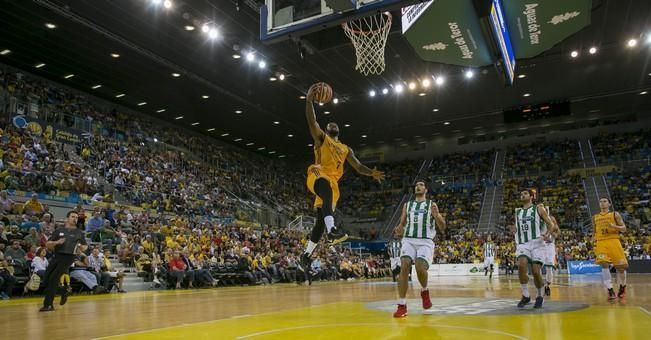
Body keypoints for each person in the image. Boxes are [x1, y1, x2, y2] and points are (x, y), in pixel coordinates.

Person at [300, 83, 385, 282]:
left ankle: (306, 255)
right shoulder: (322, 138)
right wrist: (309, 101)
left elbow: (357, 166)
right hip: (319, 174)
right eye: (329, 124)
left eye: (335, 125)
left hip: (333, 184)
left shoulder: (346, 148)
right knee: (327, 191)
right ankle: (332, 231)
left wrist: (370, 173)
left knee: (320, 220)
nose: (332, 124)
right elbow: (311, 121)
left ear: (339, 131)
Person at [393, 180, 446, 318]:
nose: (418, 186)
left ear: (426, 190)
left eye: (421, 185)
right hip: (408, 239)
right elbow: (402, 223)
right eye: (416, 185)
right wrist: (399, 229)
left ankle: (424, 290)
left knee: (419, 267)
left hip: (425, 241)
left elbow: (443, 227)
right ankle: (402, 305)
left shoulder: (431, 205)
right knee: (404, 265)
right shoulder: (407, 205)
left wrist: (437, 216)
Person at [509, 189, 557, 309]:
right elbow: (517, 227)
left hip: (538, 242)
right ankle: (525, 295)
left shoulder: (539, 208)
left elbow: (551, 224)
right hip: (523, 243)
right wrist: (514, 229)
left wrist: (547, 234)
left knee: (536, 272)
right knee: (521, 265)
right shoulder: (518, 212)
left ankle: (540, 296)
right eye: (521, 193)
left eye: (525, 193)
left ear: (531, 196)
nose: (522, 195)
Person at [40, 211, 88, 312]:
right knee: (46, 280)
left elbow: (85, 246)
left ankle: (48, 305)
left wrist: (81, 247)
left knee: (53, 279)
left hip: (69, 257)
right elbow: (48, 244)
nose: (75, 219)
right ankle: (64, 290)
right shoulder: (59, 230)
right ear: (66, 219)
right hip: (56, 255)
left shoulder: (79, 232)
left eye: (76, 217)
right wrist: (57, 242)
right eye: (72, 217)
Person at [593, 197, 628, 300]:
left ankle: (622, 286)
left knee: (621, 267)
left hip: (613, 240)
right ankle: (610, 290)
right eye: (600, 201)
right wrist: (593, 238)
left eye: (604, 201)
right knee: (604, 264)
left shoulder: (615, 214)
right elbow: (594, 230)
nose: (602, 203)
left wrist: (614, 226)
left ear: (609, 204)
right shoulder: (595, 217)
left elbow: (624, 228)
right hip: (601, 242)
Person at [543, 216, 560, 296]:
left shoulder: (555, 227)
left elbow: (556, 236)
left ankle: (547, 285)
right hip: (541, 246)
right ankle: (540, 286)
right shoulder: (541, 225)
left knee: (549, 268)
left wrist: (551, 230)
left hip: (550, 247)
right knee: (537, 266)